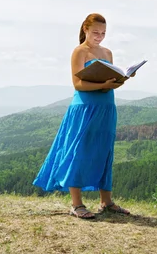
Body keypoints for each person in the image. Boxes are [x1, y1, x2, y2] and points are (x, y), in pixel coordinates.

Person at [33, 12, 134, 219]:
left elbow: (110, 78)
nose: (99, 36)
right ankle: (76, 204)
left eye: (103, 33)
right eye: (96, 32)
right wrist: (103, 84)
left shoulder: (107, 52)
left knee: (105, 151)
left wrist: (118, 81)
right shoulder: (79, 52)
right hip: (85, 107)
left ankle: (106, 202)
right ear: (85, 29)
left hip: (106, 105)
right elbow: (77, 84)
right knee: (79, 151)